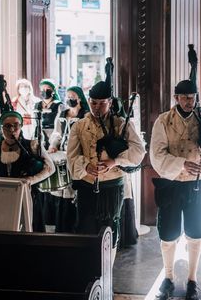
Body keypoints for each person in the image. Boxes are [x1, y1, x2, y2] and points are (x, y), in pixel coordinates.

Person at [149, 79, 201, 300]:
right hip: (170, 183)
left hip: (197, 184)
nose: (189, 101)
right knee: (168, 234)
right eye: (185, 97)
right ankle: (168, 278)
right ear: (176, 98)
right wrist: (181, 163)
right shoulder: (163, 121)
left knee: (195, 233)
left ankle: (192, 280)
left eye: (193, 97)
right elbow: (156, 155)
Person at [67, 81, 145, 255]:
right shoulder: (79, 126)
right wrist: (86, 166)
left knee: (110, 230)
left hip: (112, 186)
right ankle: (89, 272)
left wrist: (115, 162)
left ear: (110, 102)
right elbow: (71, 156)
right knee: (86, 229)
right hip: (87, 186)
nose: (97, 107)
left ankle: (107, 273)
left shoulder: (121, 123)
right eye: (94, 102)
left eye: (102, 103)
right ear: (88, 101)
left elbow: (139, 152)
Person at [0, 110, 55, 230]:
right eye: (7, 126)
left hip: (29, 197)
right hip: (3, 199)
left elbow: (50, 168)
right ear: (1, 128)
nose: (12, 130)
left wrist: (30, 180)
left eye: (15, 125)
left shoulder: (33, 145)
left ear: (21, 127)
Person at [43, 86, 90, 233]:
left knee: (73, 187)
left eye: (73, 96)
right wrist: (53, 145)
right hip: (63, 151)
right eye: (68, 96)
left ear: (80, 98)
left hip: (78, 153)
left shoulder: (86, 115)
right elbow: (57, 133)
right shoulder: (62, 113)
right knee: (62, 188)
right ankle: (62, 224)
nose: (70, 99)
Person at [34, 78, 63, 148]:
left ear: (53, 90)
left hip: (54, 132)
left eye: (48, 88)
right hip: (40, 132)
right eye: (43, 89)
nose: (45, 91)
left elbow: (59, 123)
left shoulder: (58, 104)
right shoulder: (37, 105)